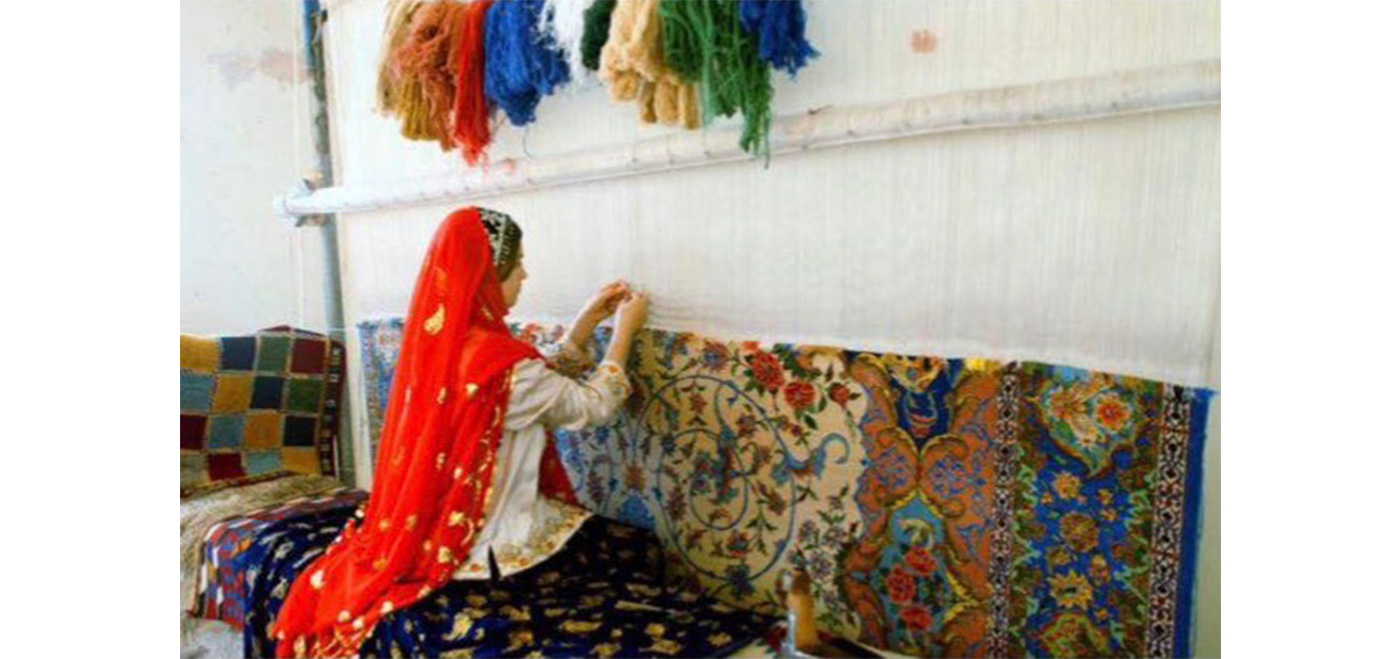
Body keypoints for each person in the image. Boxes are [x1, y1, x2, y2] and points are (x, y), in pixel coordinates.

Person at [271, 206, 649, 657]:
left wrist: (585, 324)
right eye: (518, 264)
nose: (525, 275)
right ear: (489, 275)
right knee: (634, 554)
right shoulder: (503, 364)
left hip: (431, 524)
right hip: (490, 542)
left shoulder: (448, 343)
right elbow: (593, 405)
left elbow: (530, 378)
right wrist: (625, 332)